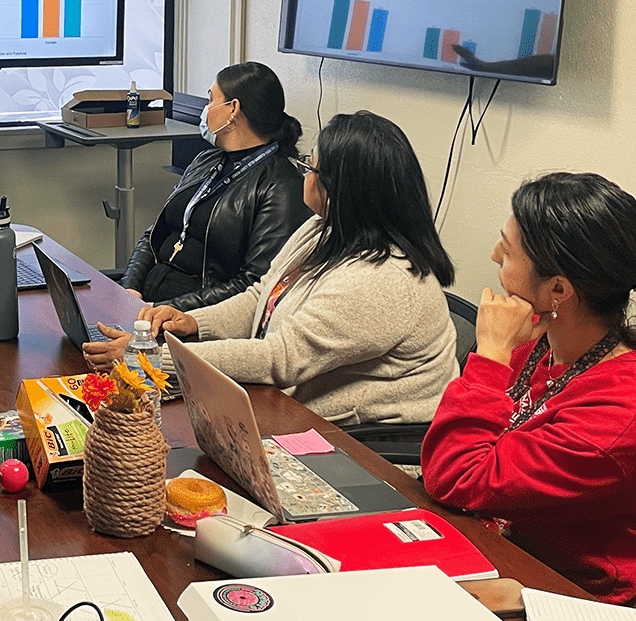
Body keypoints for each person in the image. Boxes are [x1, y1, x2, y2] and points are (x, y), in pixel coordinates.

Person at [86, 110, 458, 427]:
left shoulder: (382, 281)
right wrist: (194, 322)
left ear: (341, 189)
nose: (305, 174)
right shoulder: (323, 229)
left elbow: (280, 358)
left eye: (311, 166)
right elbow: (261, 297)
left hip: (362, 450)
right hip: (288, 408)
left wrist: (150, 358)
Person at [421, 172, 636, 605]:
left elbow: (458, 473)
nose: (495, 255)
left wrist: (491, 354)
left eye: (508, 248)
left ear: (558, 289)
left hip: (564, 594)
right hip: (494, 548)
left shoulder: (619, 411)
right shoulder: (540, 344)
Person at [119, 62, 310, 310]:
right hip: (146, 302)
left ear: (233, 109)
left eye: (211, 100)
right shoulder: (206, 160)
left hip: (195, 317)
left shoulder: (281, 186)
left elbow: (253, 285)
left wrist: (163, 310)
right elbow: (155, 233)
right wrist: (128, 289)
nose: (206, 110)